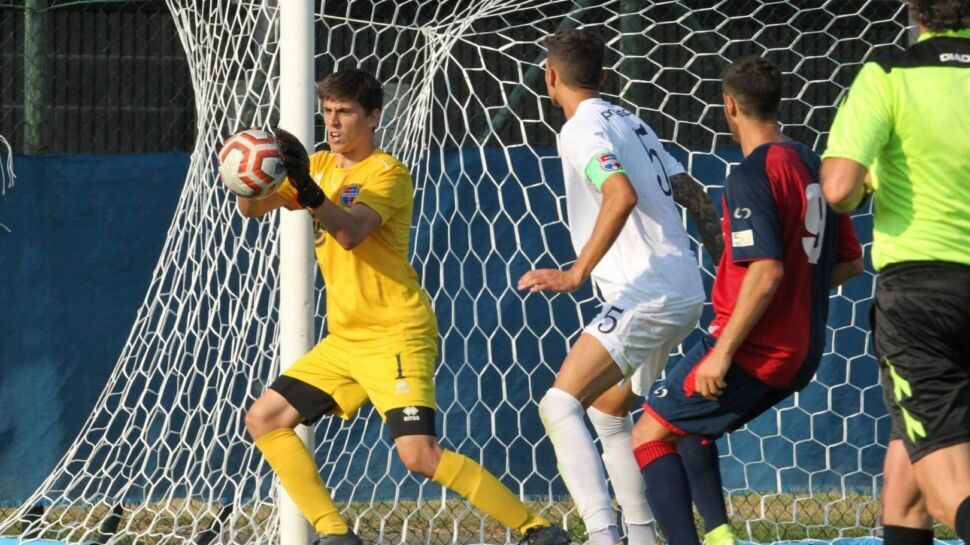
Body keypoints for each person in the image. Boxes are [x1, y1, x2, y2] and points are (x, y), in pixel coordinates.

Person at [239, 68, 570, 545]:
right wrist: (251, 168)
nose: (332, 123)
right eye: (327, 111)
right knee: (265, 419)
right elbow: (253, 208)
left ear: (372, 117)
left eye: (345, 113)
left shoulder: (386, 172)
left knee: (419, 456)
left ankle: (537, 530)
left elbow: (351, 232)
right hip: (346, 341)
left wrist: (309, 193)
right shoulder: (319, 166)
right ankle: (335, 535)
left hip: (396, 334)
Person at [630, 56, 864, 545]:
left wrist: (724, 351)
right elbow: (849, 263)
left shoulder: (752, 175)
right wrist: (795, 297)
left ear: (730, 105)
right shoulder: (810, 163)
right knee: (689, 427)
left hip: (757, 346)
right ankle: (719, 535)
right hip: (803, 349)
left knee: (648, 437)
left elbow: (767, 270)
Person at [518, 29, 731, 545]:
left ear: (549, 78)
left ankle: (601, 535)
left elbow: (620, 194)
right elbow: (692, 193)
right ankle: (638, 535)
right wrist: (727, 273)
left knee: (558, 404)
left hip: (649, 291)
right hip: (680, 287)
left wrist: (575, 273)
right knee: (608, 410)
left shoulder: (579, 129)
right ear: (606, 77)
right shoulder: (632, 121)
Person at [820, 1, 970, 543]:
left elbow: (838, 188)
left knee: (947, 492)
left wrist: (865, 183)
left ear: (914, 10)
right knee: (906, 484)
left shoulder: (889, 73)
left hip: (922, 298)